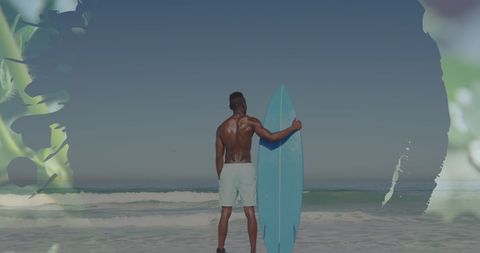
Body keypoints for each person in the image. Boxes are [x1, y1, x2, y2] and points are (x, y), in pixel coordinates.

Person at [215, 91, 302, 253]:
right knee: (249, 211)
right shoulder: (251, 122)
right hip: (245, 167)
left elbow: (218, 157)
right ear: (243, 104)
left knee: (225, 212)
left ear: (230, 107)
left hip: (228, 168)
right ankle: (253, 251)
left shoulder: (221, 128)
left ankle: (220, 249)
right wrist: (293, 128)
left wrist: (222, 177)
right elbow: (272, 137)